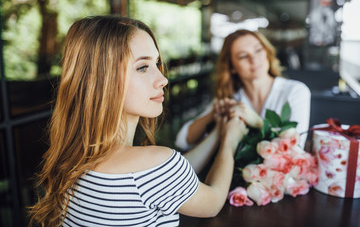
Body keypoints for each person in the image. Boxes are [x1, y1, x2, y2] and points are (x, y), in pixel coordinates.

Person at [28, 16, 248, 227]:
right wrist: (229, 142)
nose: (163, 79)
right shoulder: (157, 166)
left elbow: (170, 177)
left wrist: (219, 131)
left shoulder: (72, 159)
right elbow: (214, 201)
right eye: (143, 67)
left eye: (157, 63)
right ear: (103, 80)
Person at [175, 29, 311, 151]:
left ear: (266, 52)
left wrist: (257, 122)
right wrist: (213, 114)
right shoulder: (231, 98)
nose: (254, 59)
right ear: (232, 67)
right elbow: (182, 141)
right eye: (243, 56)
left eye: (258, 50)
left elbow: (296, 150)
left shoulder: (295, 91)